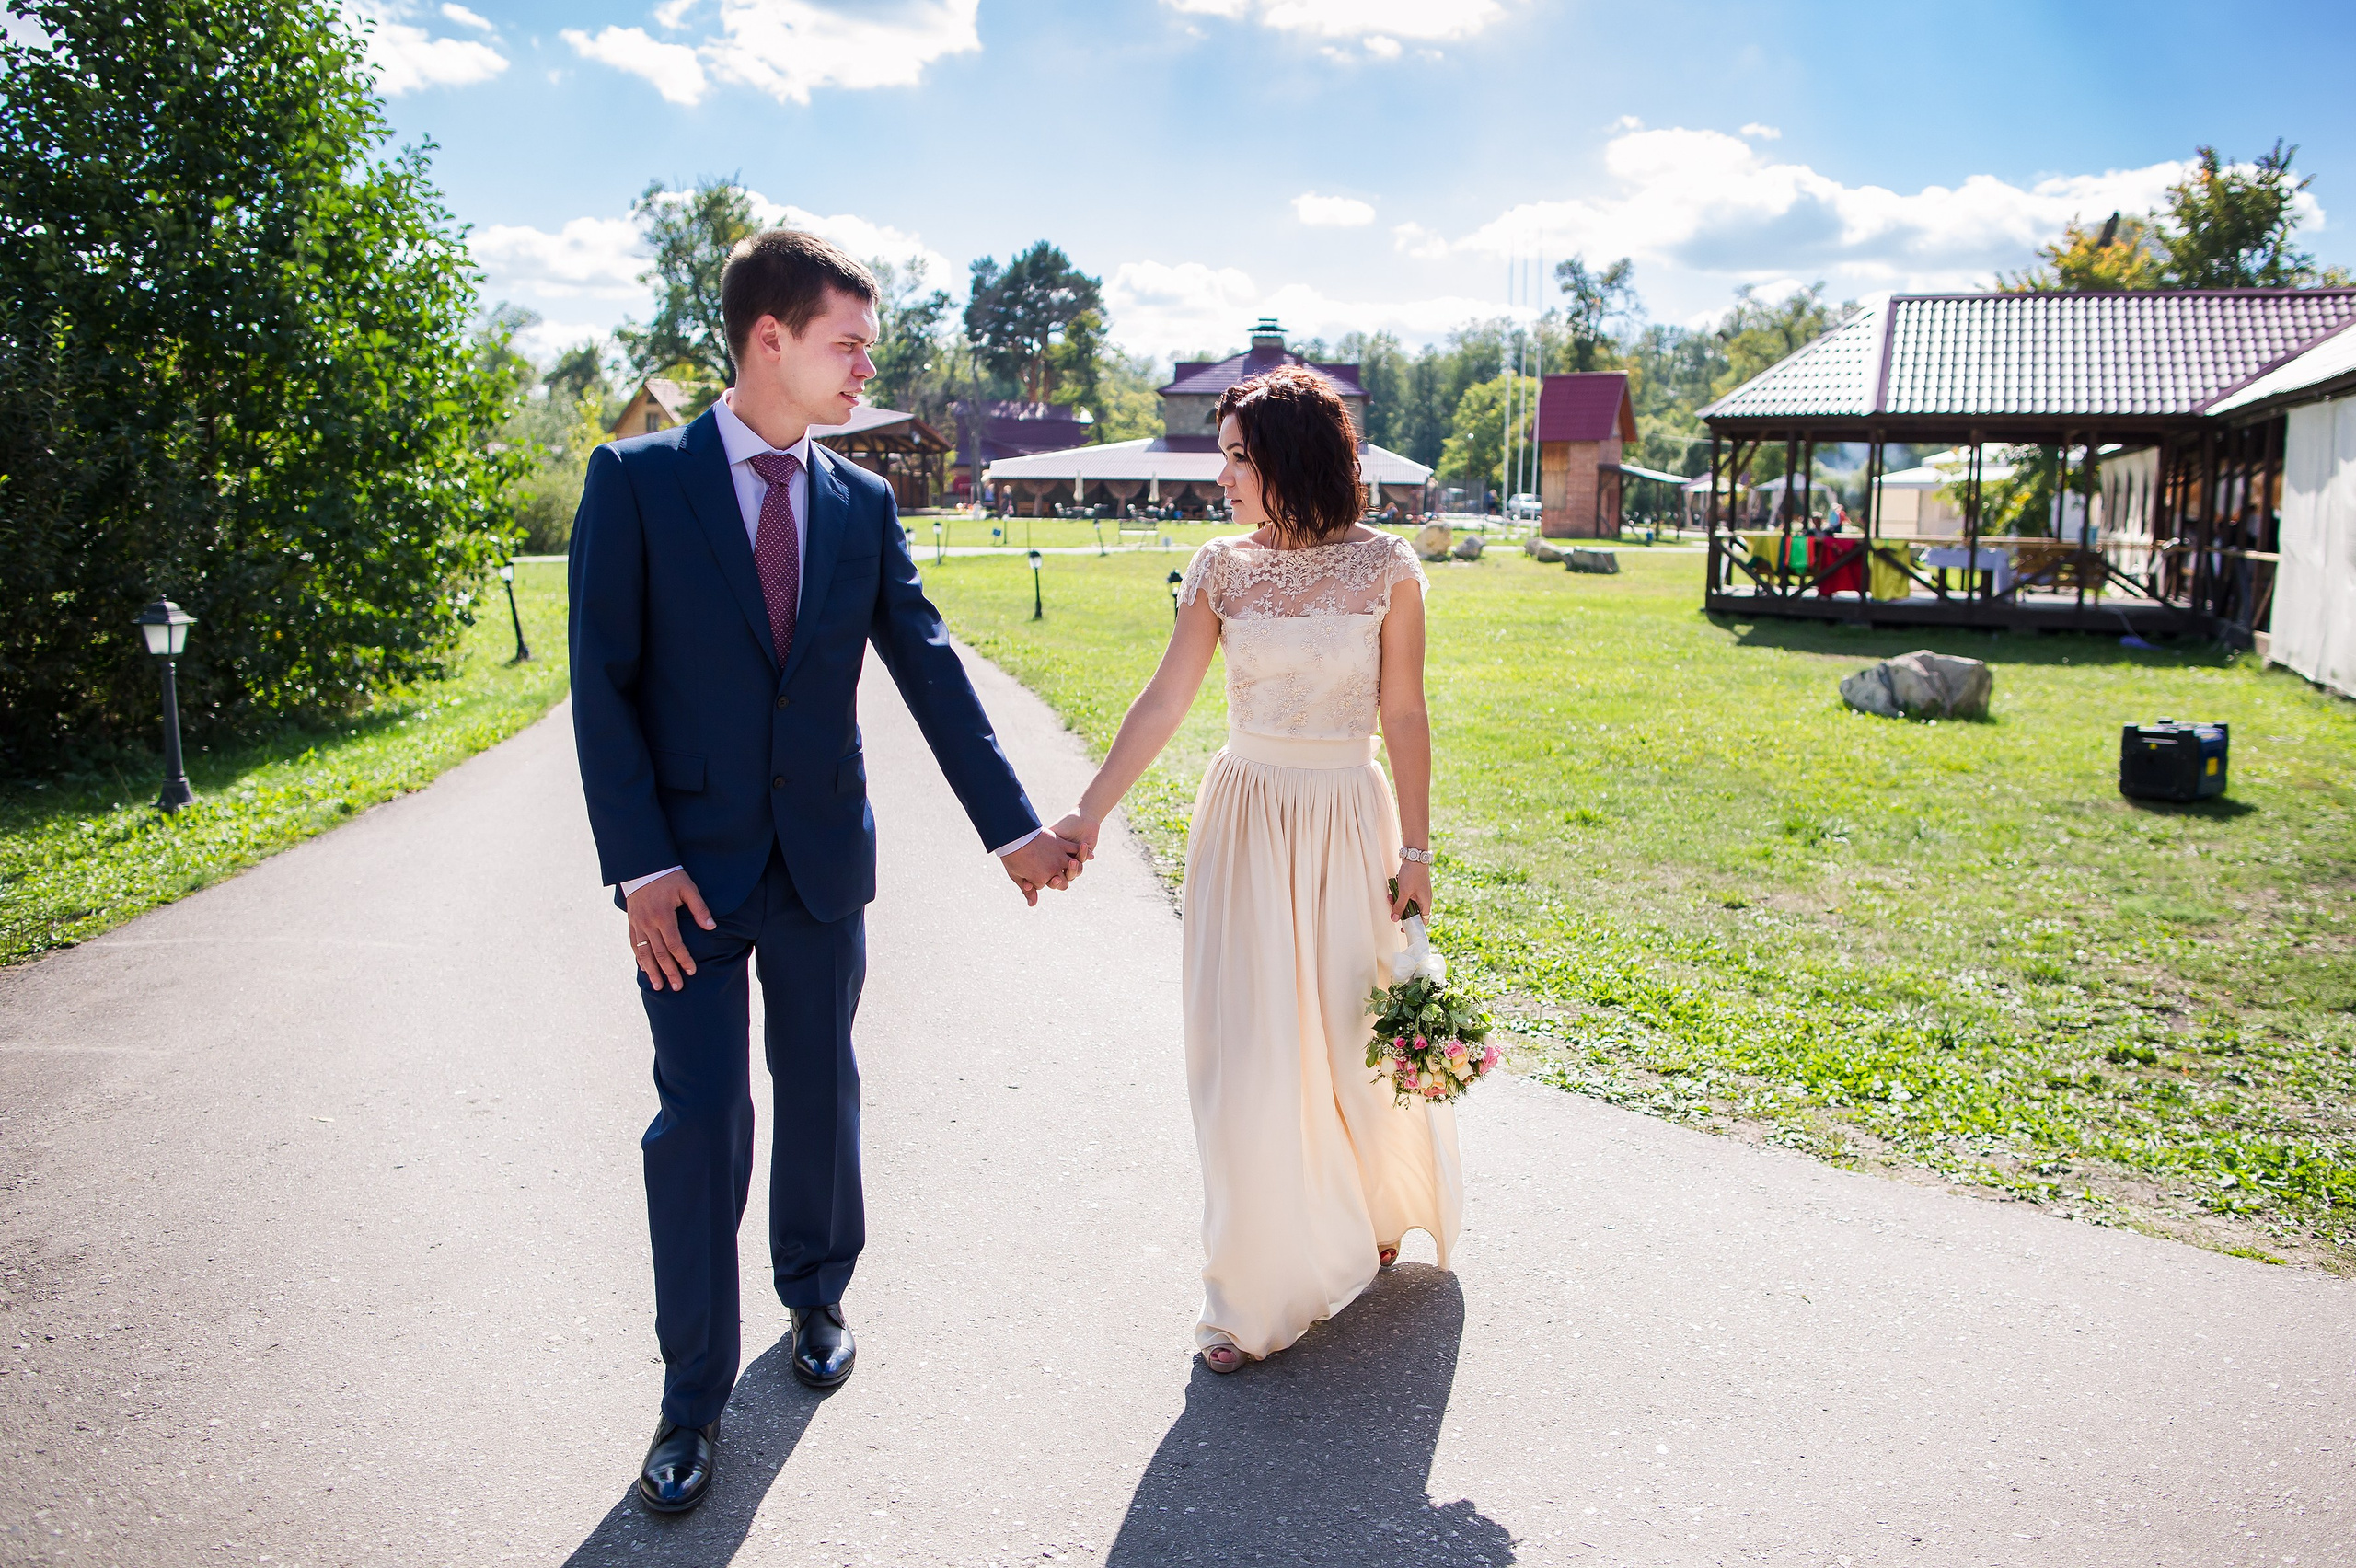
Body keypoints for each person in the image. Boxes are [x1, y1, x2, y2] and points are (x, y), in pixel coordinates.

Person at [568, 228, 1083, 1514]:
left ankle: (816, 1292)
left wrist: (1012, 829)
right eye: (848, 345)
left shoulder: (860, 504)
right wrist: (639, 867)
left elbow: (929, 669)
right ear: (770, 339)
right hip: (684, 882)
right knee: (700, 1122)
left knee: (819, 1088)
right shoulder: (636, 481)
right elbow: (601, 685)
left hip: (820, 866)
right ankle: (690, 1401)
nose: (865, 369)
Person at [1049, 366, 1461, 1374]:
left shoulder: (1389, 566)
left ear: (1291, 459)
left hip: (1348, 819)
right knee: (1244, 1057)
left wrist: (1416, 852)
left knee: (1348, 1032)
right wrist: (1087, 811)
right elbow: (1165, 699)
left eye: (1238, 457)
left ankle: (1372, 1206)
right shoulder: (1219, 568)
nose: (1222, 477)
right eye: (1223, 456)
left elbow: (1404, 712)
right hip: (1244, 820)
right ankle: (1246, 1295)